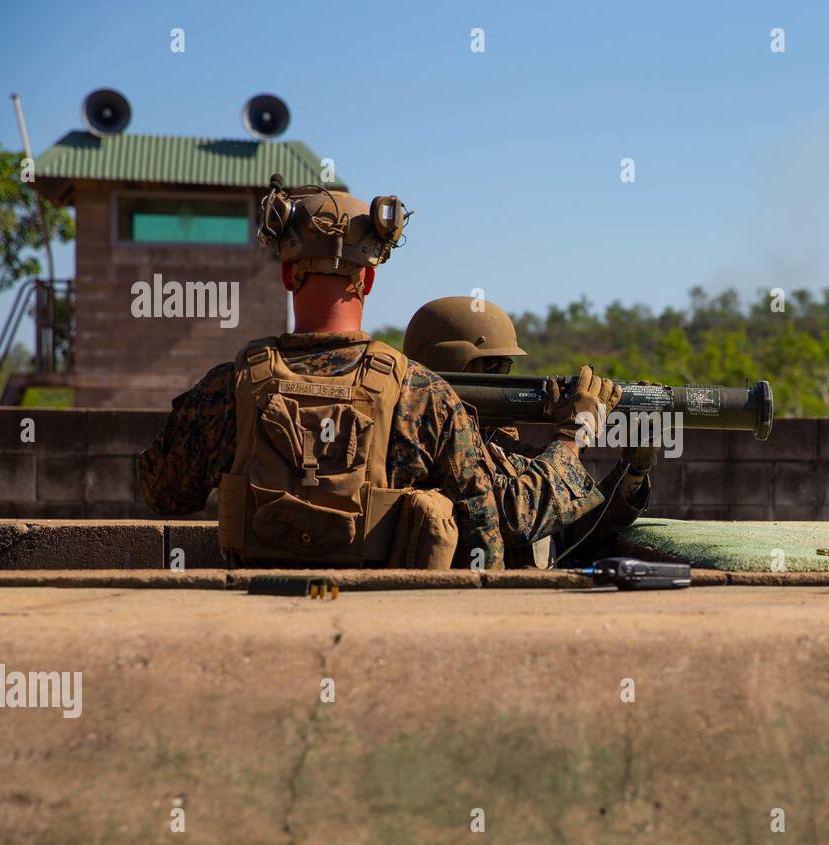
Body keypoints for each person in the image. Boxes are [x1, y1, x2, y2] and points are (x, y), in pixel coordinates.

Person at [137, 180, 503, 569]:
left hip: (254, 616)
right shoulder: (424, 394)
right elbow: (482, 534)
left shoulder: (226, 388)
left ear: (287, 274)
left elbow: (162, 493)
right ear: (368, 280)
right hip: (383, 619)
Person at [403, 295, 656, 567]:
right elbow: (518, 517)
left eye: (506, 365)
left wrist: (632, 473)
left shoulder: (495, 440)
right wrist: (573, 434)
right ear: (451, 362)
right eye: (493, 365)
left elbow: (573, 530)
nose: (504, 376)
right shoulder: (427, 438)